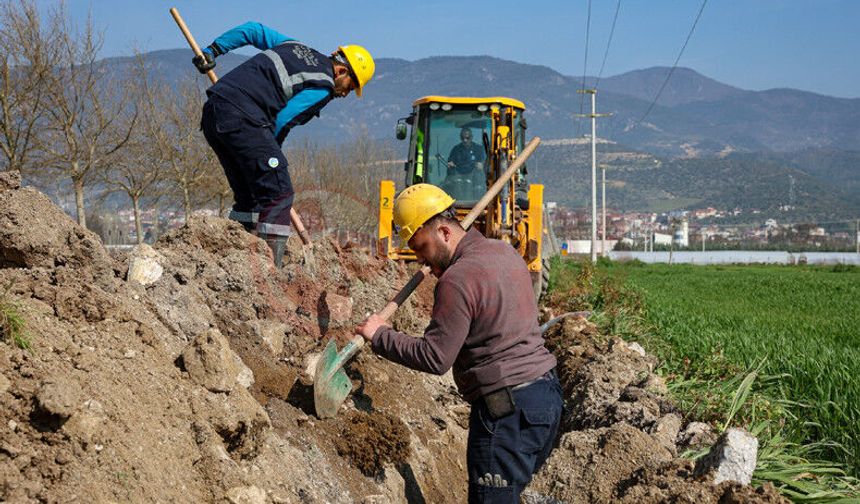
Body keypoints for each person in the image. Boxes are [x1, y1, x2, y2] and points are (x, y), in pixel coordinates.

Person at [357, 184, 562, 503]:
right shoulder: (504, 252)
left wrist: (380, 335)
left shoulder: (458, 279)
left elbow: (435, 356)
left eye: (421, 246)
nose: (421, 259)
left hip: (506, 412)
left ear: (443, 231)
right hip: (544, 399)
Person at [194, 22, 374, 266]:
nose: (345, 94)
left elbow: (253, 30)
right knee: (279, 191)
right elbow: (281, 121)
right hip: (244, 118)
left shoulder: (294, 46)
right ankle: (269, 270)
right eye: (351, 87)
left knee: (250, 198)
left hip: (215, 113)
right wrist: (271, 156)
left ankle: (232, 257)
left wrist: (213, 50)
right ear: (342, 71)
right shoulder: (323, 86)